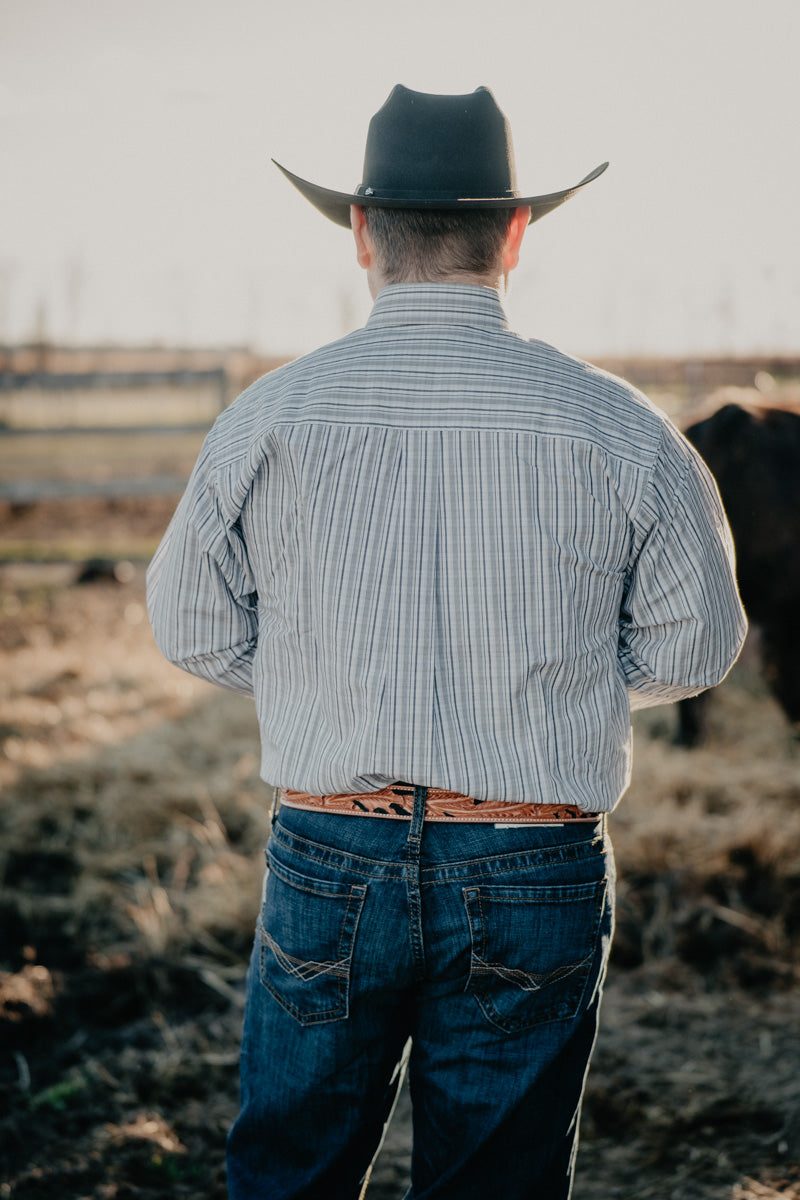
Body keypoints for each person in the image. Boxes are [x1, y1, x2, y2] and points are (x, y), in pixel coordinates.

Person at [146, 85, 746, 1200]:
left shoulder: (269, 415)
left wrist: (318, 680)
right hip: (535, 859)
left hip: (329, 846)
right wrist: (546, 687)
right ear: (516, 234)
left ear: (361, 234)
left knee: (288, 1174)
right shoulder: (619, 426)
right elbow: (693, 650)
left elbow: (188, 625)